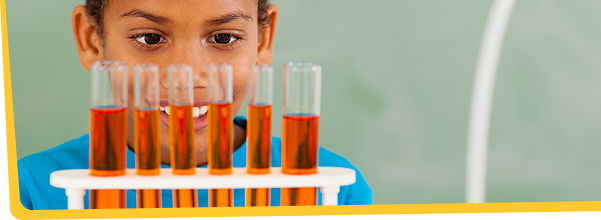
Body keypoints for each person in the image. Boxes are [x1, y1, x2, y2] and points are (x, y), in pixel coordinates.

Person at [17, 0, 372, 210]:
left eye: (223, 38)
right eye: (150, 38)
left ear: (263, 39)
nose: (186, 77)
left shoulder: (336, 191)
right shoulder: (29, 190)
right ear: (91, 40)